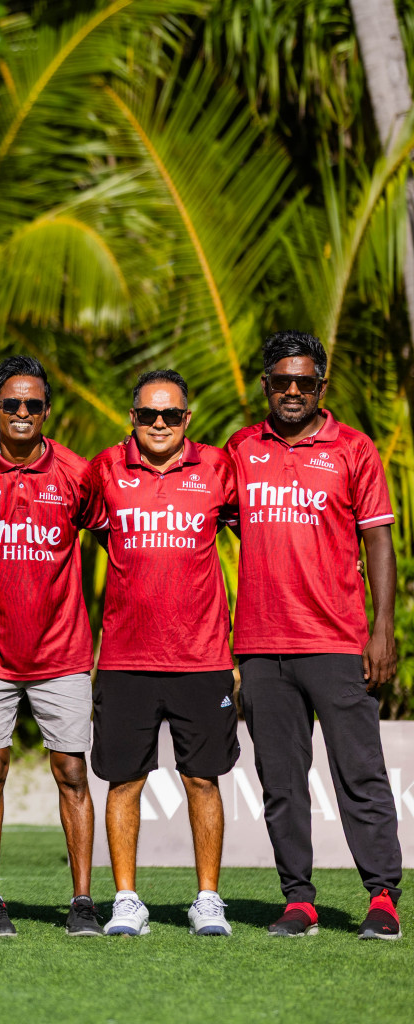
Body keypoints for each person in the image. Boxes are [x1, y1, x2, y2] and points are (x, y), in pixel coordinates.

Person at [227, 331, 402, 940]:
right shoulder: (241, 448)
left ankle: (382, 897)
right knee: (281, 782)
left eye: (304, 382)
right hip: (261, 644)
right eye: (281, 381)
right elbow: (197, 519)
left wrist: (383, 629)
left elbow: (378, 538)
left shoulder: (354, 449)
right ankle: (298, 900)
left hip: (337, 641)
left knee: (360, 774)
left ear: (321, 386)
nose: (293, 391)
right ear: (266, 384)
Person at [83, 370, 239, 937]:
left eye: (170, 415)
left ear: (187, 420)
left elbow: (264, 536)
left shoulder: (219, 468)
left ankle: (208, 899)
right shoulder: (105, 468)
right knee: (124, 781)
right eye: (148, 414)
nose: (158, 424)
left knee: (203, 780)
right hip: (125, 657)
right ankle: (127, 899)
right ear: (132, 416)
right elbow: (62, 528)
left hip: (201, 657)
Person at [0, 355, 99, 937]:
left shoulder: (77, 472)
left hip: (61, 649)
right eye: (11, 404)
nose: (21, 413)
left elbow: (115, 536)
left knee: (71, 770)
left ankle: (83, 900)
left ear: (45, 411)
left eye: (32, 405)